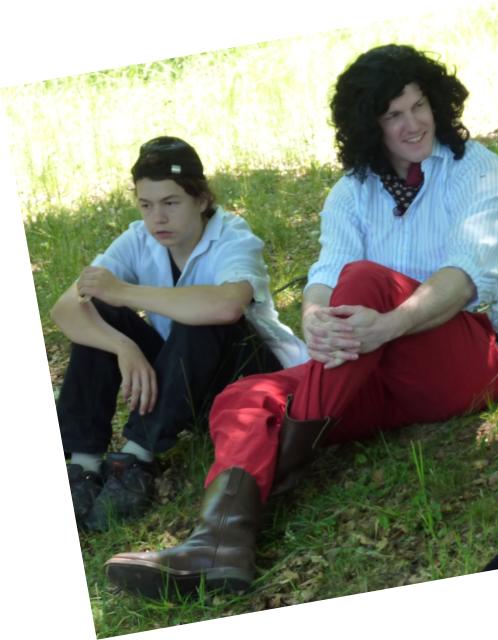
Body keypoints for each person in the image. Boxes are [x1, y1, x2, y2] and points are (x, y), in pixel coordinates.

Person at [105, 44, 498, 599]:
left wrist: (388, 324)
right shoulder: (351, 192)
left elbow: (467, 276)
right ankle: (219, 540)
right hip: (368, 371)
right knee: (242, 398)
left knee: (366, 279)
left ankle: (276, 469)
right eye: (393, 115)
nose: (413, 124)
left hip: (466, 359)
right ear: (368, 125)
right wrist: (315, 317)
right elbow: (325, 277)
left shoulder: (475, 168)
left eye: (419, 106)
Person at [52, 136, 308, 532]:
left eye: (171, 203)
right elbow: (65, 308)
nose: (157, 218)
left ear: (201, 200)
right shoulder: (139, 239)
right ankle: (82, 464)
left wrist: (124, 292)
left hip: (253, 378)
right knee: (99, 312)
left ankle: (136, 458)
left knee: (203, 312)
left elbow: (227, 306)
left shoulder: (233, 237)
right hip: (188, 378)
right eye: (146, 205)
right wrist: (123, 346)